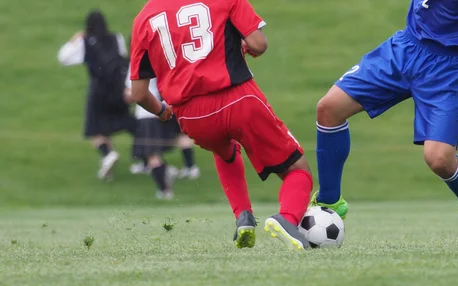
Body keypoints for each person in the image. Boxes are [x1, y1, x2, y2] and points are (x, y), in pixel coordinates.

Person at [311, 0, 458, 246]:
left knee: (439, 159)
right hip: (405, 48)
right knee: (329, 109)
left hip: (448, 69)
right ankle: (330, 201)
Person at [129, 0, 314, 250]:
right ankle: (287, 218)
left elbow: (139, 94)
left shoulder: (144, 18)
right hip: (238, 98)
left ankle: (243, 217)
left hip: (192, 116)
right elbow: (259, 43)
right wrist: (247, 46)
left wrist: (161, 111)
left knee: (224, 150)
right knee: (297, 170)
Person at [58, 10, 135, 180]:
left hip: (98, 92)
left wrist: (74, 40)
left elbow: (63, 58)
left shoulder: (85, 42)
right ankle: (141, 159)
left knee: (95, 130)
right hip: (118, 91)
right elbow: (123, 60)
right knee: (126, 123)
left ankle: (108, 154)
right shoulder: (117, 38)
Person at [124, 68, 178, 200]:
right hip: (160, 110)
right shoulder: (158, 58)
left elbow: (132, 93)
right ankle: (166, 172)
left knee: (152, 155)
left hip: (147, 113)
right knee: (151, 154)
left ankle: (165, 190)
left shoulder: (138, 62)